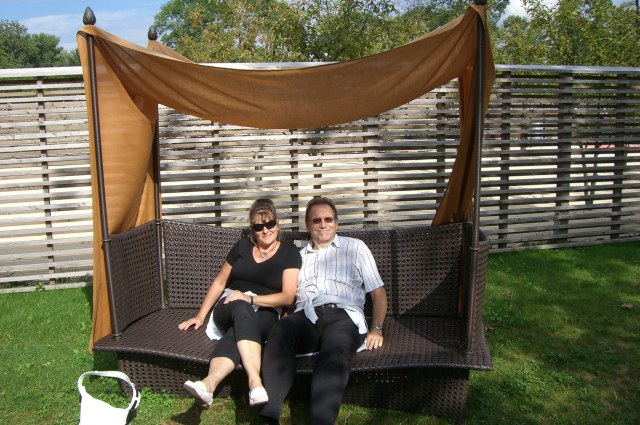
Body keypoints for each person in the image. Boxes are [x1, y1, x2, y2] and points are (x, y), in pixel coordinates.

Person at [259, 197, 388, 425]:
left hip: (343, 316)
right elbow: (288, 296)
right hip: (306, 315)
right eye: (316, 220)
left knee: (334, 353)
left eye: (328, 219)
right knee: (280, 331)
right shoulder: (297, 257)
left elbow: (378, 292)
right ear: (308, 225)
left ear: (336, 223)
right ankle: (270, 413)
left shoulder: (355, 248)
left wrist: (376, 328)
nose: (323, 224)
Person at [178, 198, 301, 408]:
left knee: (237, 331)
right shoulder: (242, 246)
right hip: (231, 304)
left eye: (270, 224)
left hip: (266, 310)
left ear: (278, 223)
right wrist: (200, 315)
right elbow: (220, 282)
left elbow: (288, 297)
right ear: (252, 230)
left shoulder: (289, 252)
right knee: (242, 309)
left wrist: (251, 298)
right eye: (259, 227)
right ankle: (255, 382)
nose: (265, 230)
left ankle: (208, 385)